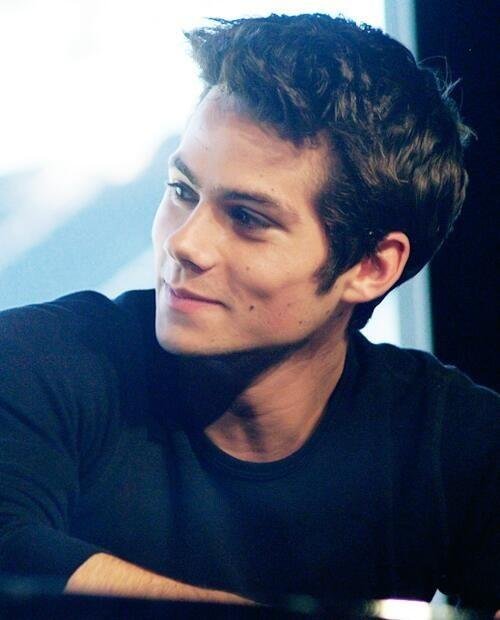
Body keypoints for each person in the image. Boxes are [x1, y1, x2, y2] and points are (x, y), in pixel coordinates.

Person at [0, 13, 498, 610]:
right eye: (182, 191)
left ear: (371, 266)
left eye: (247, 218)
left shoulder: (456, 441)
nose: (184, 243)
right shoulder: (38, 361)